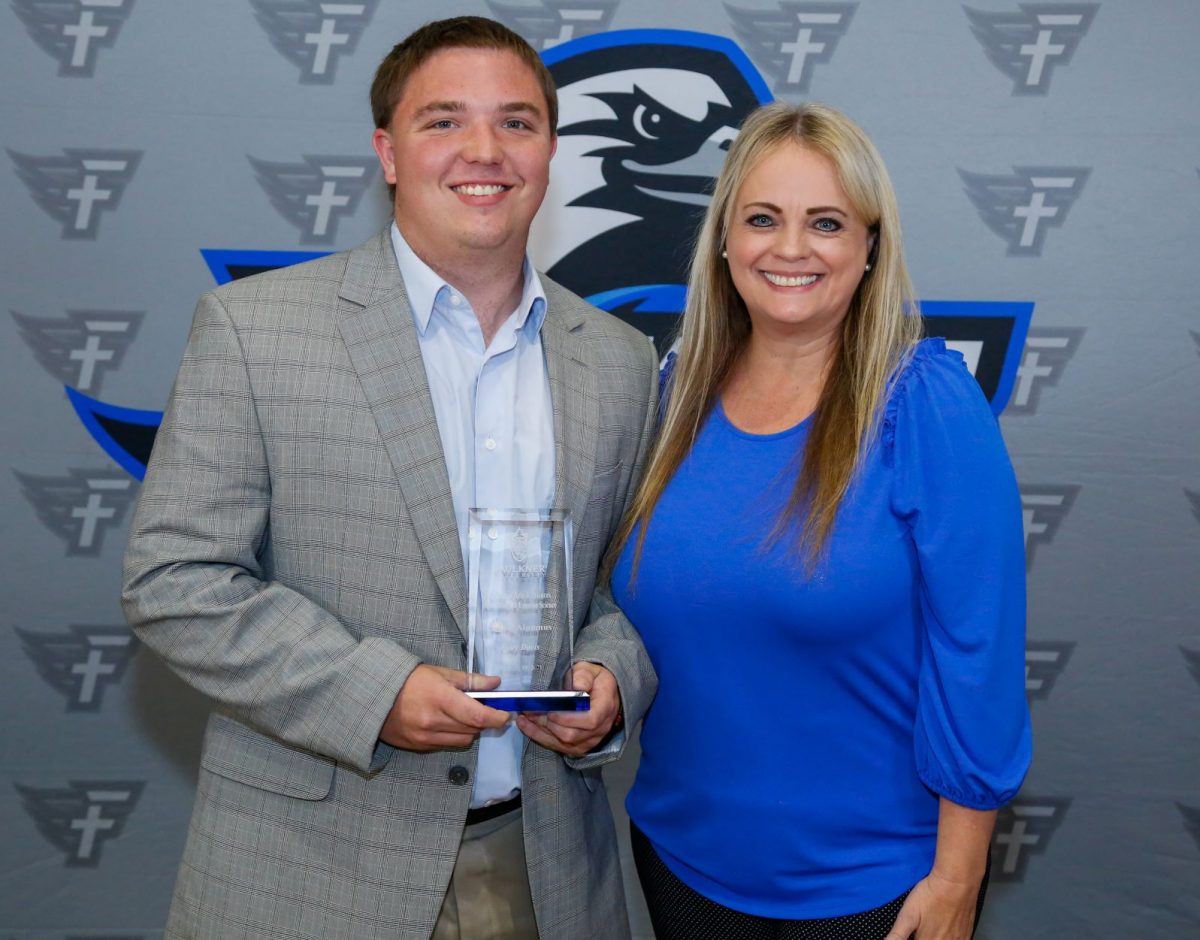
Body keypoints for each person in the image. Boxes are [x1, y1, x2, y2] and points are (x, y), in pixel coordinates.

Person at [122, 16, 658, 940]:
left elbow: (623, 588)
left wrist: (610, 677)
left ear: (551, 151)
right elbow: (175, 579)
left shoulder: (617, 360)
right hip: (309, 869)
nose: (484, 151)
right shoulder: (257, 330)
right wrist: (375, 693)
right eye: (444, 120)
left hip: (547, 863)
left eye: (517, 123)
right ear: (388, 152)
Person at [608, 101, 1032, 940]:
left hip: (875, 886)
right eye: (763, 218)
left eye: (827, 222)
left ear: (870, 245)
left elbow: (976, 654)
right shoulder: (668, 397)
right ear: (725, 238)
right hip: (681, 861)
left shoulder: (923, 403)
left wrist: (958, 876)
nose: (791, 248)